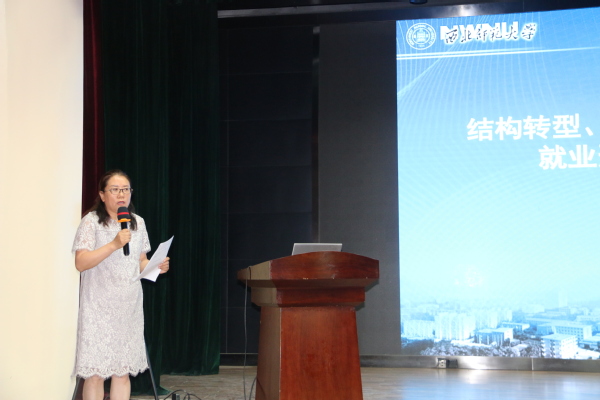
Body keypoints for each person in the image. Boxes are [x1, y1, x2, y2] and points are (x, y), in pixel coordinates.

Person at [72, 169, 169, 400]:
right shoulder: (91, 222)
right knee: (95, 374)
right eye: (115, 190)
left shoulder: (138, 223)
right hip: (98, 307)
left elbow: (140, 262)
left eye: (125, 189)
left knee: (122, 372)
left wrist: (155, 266)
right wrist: (113, 245)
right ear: (102, 195)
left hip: (128, 307)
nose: (121, 194)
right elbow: (81, 262)